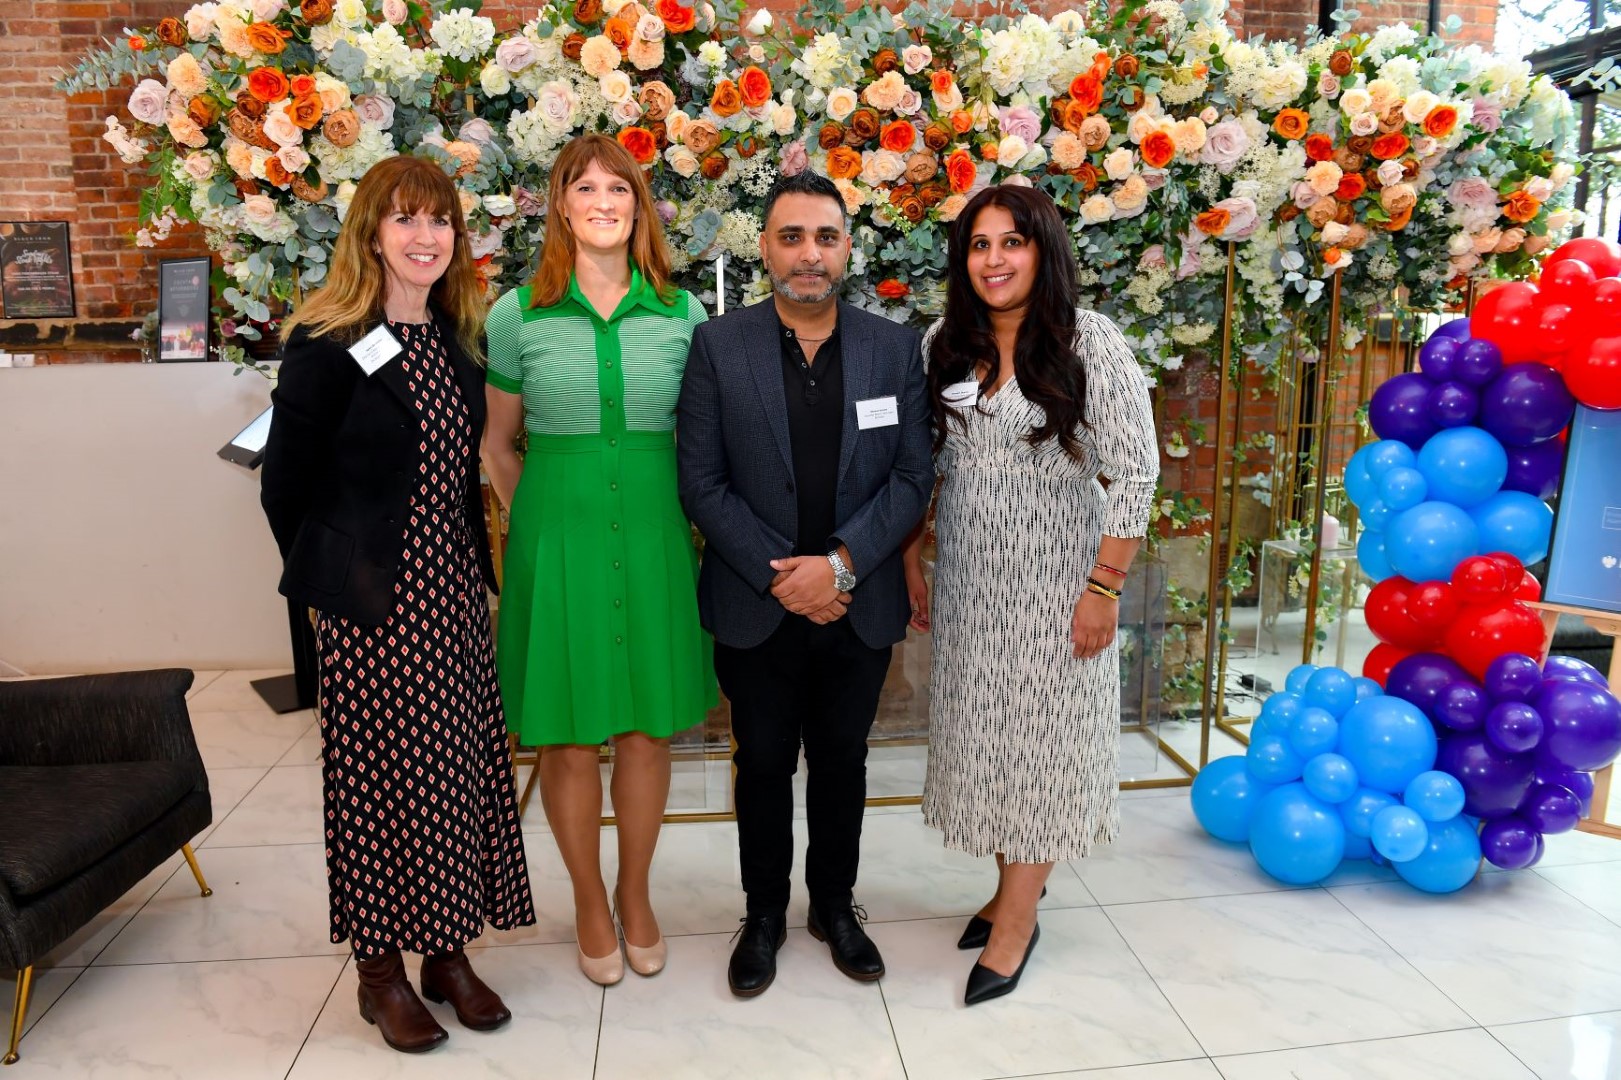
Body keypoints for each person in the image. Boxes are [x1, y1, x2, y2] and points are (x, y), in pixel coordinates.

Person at [260, 154, 536, 1054]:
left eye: (440, 222)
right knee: (380, 788)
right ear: (371, 231)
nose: (426, 238)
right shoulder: (326, 344)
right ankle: (379, 974)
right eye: (406, 220)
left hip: (450, 598)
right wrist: (327, 593)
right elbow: (285, 487)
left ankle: (446, 954)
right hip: (369, 610)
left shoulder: (456, 342)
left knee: (453, 775)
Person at [676, 171, 933, 998]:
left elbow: (911, 477)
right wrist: (785, 577)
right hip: (758, 604)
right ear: (766, 249)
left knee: (843, 761)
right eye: (791, 237)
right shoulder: (720, 346)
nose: (808, 254)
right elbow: (701, 480)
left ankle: (833, 904)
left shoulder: (894, 349)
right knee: (759, 765)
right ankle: (761, 915)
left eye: (824, 237)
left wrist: (841, 567)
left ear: (847, 247)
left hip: (857, 605)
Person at [904, 184, 1158, 1005]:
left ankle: (1017, 921)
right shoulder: (943, 342)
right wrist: (913, 559)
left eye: (1011, 242)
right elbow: (925, 470)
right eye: (978, 245)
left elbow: (1136, 474)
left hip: (1060, 586)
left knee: (1044, 748)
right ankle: (1010, 886)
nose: (994, 260)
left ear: (1042, 251)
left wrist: (1103, 589)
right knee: (990, 740)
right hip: (973, 585)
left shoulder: (1090, 343)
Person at [482, 134, 712, 987]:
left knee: (647, 730)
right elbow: (499, 445)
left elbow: (702, 445)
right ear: (562, 205)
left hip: (652, 538)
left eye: (620, 187)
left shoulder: (681, 314)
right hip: (559, 541)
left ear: (639, 205)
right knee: (569, 739)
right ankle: (586, 900)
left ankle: (636, 892)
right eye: (586, 187)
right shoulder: (516, 316)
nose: (604, 200)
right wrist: (538, 527)